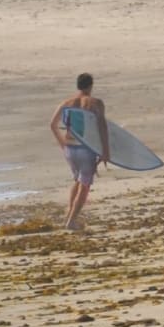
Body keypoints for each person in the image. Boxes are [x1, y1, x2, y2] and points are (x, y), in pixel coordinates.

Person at [49, 72, 111, 230]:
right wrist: (105, 150)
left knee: (77, 181)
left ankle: (69, 217)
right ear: (91, 85)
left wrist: (63, 144)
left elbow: (52, 125)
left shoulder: (67, 103)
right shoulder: (96, 103)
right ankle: (71, 221)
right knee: (85, 186)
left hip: (70, 149)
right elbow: (102, 126)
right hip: (86, 149)